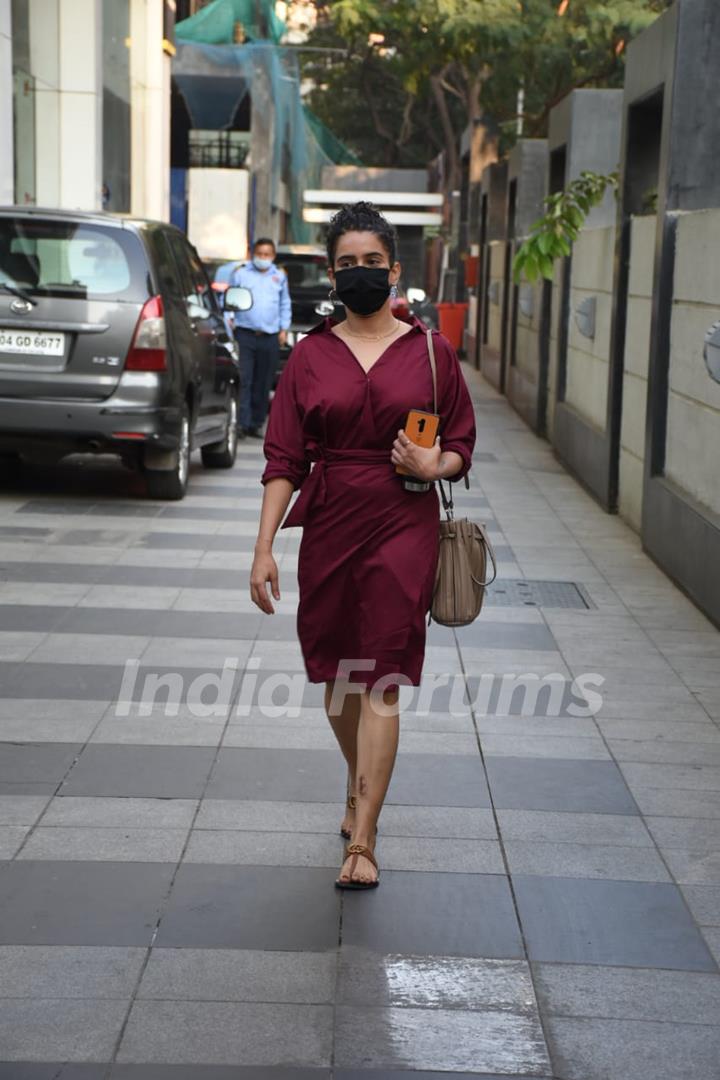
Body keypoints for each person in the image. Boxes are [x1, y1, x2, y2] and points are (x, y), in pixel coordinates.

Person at [249, 202, 476, 890]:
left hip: (403, 521)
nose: (359, 274)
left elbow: (461, 442)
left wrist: (436, 466)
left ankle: (366, 834)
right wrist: (262, 549)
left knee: (382, 674)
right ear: (330, 272)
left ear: (394, 269)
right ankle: (358, 780)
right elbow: (283, 457)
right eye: (346, 264)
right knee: (337, 680)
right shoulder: (311, 355)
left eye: (371, 263)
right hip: (331, 521)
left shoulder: (432, 353)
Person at [229, 238, 291, 438]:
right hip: (245, 334)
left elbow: (284, 303)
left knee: (263, 381)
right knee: (244, 378)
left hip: (270, 336)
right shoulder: (241, 273)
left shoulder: (279, 277)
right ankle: (242, 423)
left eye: (267, 255)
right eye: (260, 254)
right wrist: (230, 320)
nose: (263, 258)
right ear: (253, 254)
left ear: (272, 257)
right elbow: (229, 299)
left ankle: (256, 423)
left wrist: (283, 329)